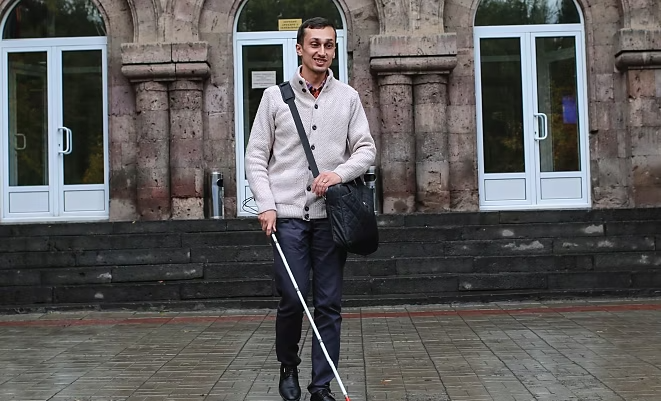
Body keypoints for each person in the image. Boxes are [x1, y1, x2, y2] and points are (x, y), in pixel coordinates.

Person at [245, 17, 376, 401]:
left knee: (329, 304)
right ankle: (289, 364)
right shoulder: (274, 98)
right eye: (315, 44)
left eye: (329, 45)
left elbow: (366, 150)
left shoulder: (348, 98)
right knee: (293, 295)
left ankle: (321, 386)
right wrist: (266, 205)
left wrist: (338, 174)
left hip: (329, 220)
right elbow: (255, 156)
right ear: (299, 49)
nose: (322, 51)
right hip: (286, 216)